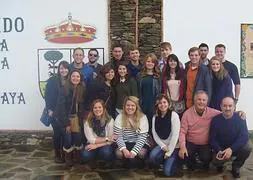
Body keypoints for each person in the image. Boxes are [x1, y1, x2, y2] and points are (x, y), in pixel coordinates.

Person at [210, 97, 252, 178]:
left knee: (247, 148)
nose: (227, 108)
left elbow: (244, 136)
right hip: (221, 149)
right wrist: (219, 150)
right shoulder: (215, 120)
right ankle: (220, 165)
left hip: (235, 148)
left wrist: (231, 149)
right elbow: (212, 138)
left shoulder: (240, 118)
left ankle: (236, 166)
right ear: (221, 107)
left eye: (230, 106)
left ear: (234, 107)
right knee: (216, 161)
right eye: (225, 106)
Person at [178, 90, 220, 170]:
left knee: (206, 158)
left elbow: (224, 113)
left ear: (207, 102)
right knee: (185, 155)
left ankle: (204, 165)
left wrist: (238, 113)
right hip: (191, 142)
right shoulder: (187, 114)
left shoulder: (211, 112)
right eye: (199, 99)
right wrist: (182, 147)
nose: (201, 102)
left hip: (205, 144)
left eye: (204, 100)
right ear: (194, 100)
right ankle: (192, 165)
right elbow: (182, 132)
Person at [56, 69, 85, 166]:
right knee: (68, 139)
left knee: (78, 138)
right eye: (73, 76)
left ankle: (76, 156)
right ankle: (67, 156)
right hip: (66, 118)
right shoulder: (64, 89)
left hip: (77, 118)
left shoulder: (82, 89)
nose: (75, 78)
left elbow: (82, 106)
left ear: (80, 78)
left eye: (78, 76)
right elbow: (61, 108)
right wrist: (66, 124)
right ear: (70, 77)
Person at [44, 60, 70, 163]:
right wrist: (49, 109)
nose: (64, 70)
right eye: (61, 68)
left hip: (65, 112)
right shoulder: (52, 80)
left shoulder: (69, 80)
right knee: (57, 133)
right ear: (59, 69)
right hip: (54, 112)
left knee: (65, 133)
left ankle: (64, 152)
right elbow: (47, 96)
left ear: (68, 69)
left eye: (65, 68)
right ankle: (57, 154)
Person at [149, 94, 181, 176]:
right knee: (152, 157)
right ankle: (164, 161)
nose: (162, 105)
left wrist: (169, 152)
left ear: (168, 103)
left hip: (174, 146)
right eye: (160, 103)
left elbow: (175, 135)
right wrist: (162, 146)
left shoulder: (174, 115)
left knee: (167, 172)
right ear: (157, 105)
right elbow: (154, 133)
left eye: (164, 102)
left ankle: (175, 162)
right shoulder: (155, 116)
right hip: (163, 145)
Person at [114, 96, 149, 168]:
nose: (130, 107)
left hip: (138, 142)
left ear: (136, 107)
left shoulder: (143, 117)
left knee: (141, 153)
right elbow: (118, 136)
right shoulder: (119, 117)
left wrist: (134, 151)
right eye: (128, 105)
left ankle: (140, 163)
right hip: (125, 142)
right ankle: (126, 163)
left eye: (133, 105)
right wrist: (124, 149)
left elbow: (142, 137)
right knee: (118, 153)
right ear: (124, 106)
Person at [137, 53, 161, 129]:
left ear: (155, 64)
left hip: (154, 104)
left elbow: (161, 91)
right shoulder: (139, 76)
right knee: (143, 125)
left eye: (152, 62)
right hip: (143, 104)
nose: (150, 63)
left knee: (153, 125)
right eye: (148, 61)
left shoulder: (158, 76)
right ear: (145, 62)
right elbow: (137, 91)